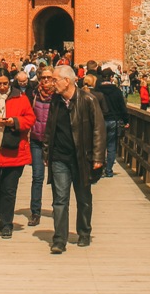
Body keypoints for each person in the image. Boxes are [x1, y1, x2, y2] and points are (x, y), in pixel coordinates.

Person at [44, 64, 105, 253]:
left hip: (82, 157)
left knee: (83, 197)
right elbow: (49, 128)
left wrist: (97, 157)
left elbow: (98, 129)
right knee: (60, 200)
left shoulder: (87, 100)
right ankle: (59, 239)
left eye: (55, 80)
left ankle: (84, 232)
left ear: (66, 81)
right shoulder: (55, 101)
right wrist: (47, 152)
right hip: (59, 158)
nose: (52, 83)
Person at [0, 67, 35, 238]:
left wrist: (14, 121)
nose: (2, 87)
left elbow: (30, 118)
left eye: (4, 83)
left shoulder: (21, 98)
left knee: (9, 190)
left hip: (13, 151)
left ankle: (6, 224)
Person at [26, 66, 56, 226]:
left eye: (49, 77)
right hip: (37, 140)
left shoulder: (58, 96)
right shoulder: (34, 95)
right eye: (43, 77)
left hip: (54, 142)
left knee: (57, 177)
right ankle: (35, 212)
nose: (46, 80)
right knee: (37, 177)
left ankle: (58, 208)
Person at [95, 68, 128, 178]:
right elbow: (122, 107)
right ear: (110, 77)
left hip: (100, 120)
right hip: (113, 120)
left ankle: (100, 169)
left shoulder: (97, 90)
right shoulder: (117, 91)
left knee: (100, 145)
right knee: (111, 145)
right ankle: (109, 170)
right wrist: (126, 120)